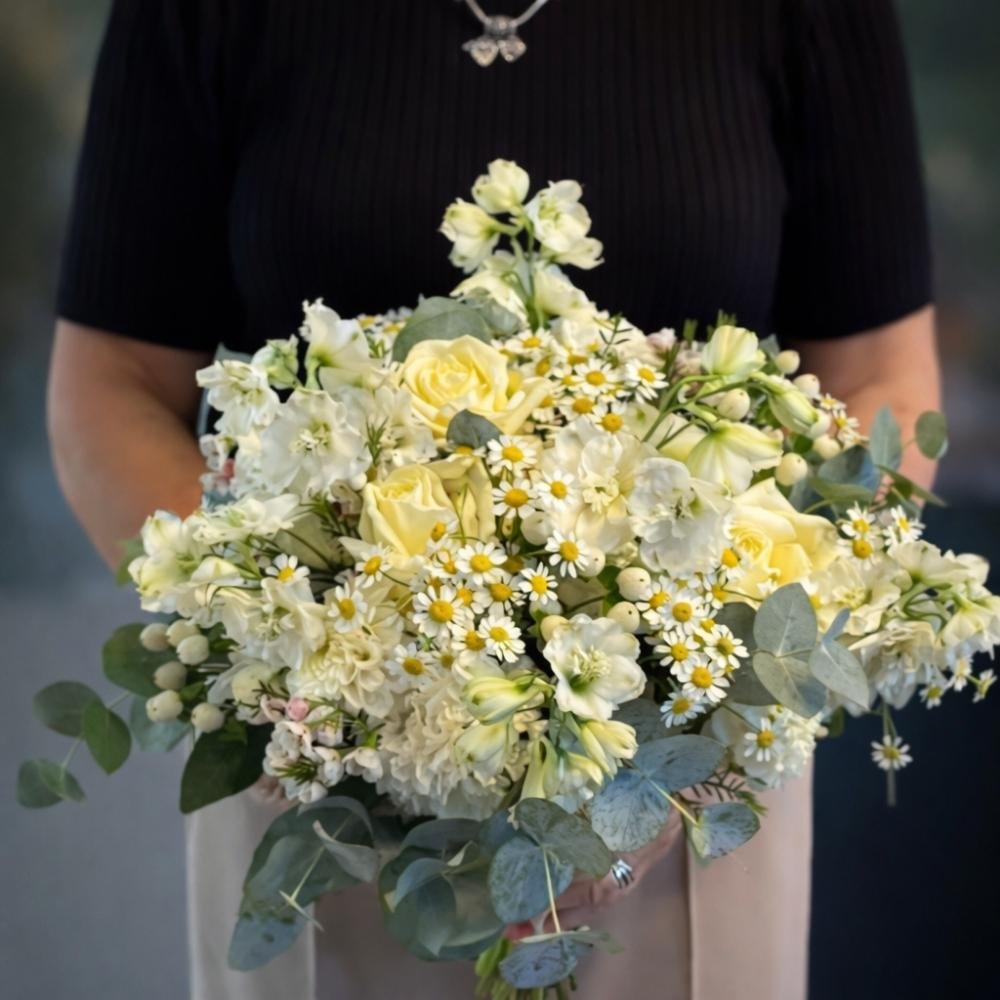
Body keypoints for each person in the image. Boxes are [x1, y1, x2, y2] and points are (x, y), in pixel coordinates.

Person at [48, 1, 940, 997]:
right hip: (318, 794)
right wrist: (283, 655)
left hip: (695, 787)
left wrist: (708, 738)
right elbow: (112, 381)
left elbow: (880, 380)